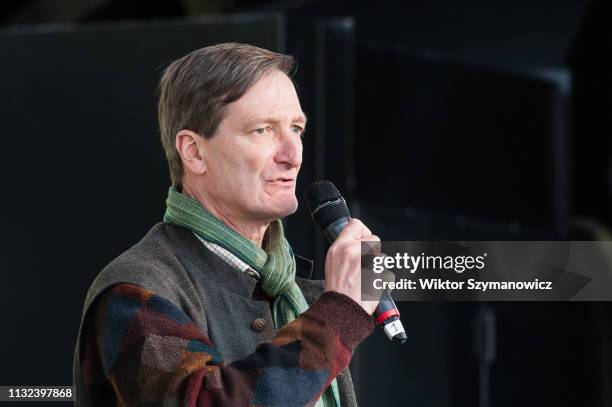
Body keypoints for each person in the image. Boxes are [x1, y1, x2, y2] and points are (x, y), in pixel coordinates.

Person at [73, 42, 381, 407]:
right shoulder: (136, 291)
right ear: (194, 151)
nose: (293, 154)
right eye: (263, 130)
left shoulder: (293, 295)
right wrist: (339, 313)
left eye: (296, 128)